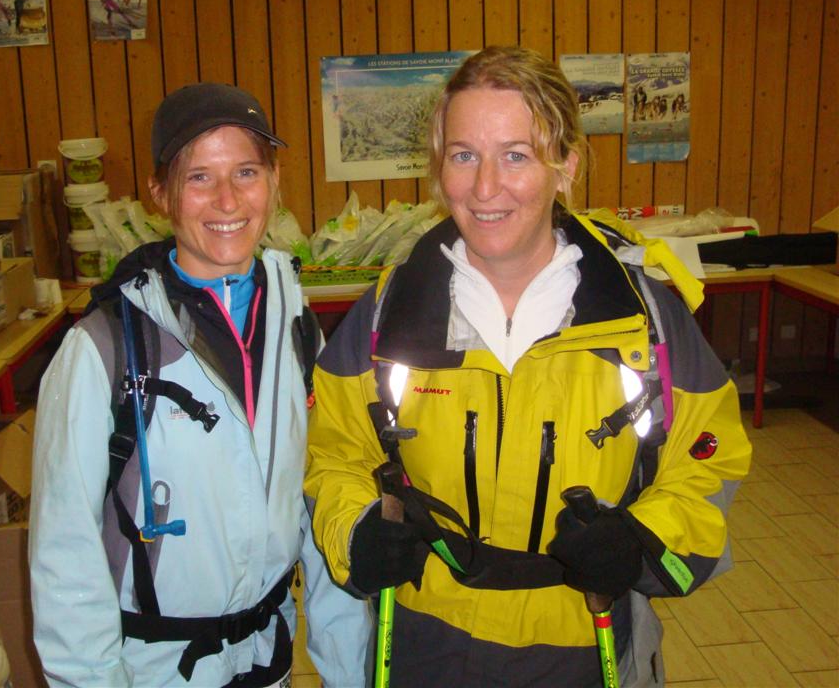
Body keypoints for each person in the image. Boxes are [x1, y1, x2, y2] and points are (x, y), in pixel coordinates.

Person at [305, 46, 750, 687]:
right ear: (438, 168)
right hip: (426, 642)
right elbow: (334, 454)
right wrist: (358, 530)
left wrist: (641, 541)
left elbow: (711, 464)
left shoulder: (643, 321)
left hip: (586, 639)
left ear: (565, 165)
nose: (486, 187)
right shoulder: (388, 317)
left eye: (516, 155)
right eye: (464, 155)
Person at [31, 83, 371, 687]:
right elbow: (65, 559)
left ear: (273, 182)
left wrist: (349, 670)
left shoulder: (296, 329)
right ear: (161, 194)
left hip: (269, 660)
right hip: (154, 672)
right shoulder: (102, 350)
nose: (227, 199)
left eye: (246, 171)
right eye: (198, 178)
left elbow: (317, 506)